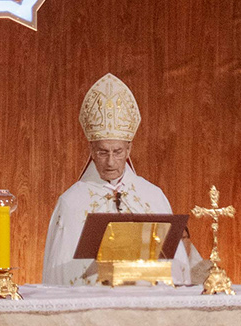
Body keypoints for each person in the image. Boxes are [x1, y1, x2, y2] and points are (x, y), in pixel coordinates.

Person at [42, 74, 199, 285]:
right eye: (102, 152)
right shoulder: (72, 201)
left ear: (129, 149)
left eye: (117, 151)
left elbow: (177, 264)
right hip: (93, 306)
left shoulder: (152, 196)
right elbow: (58, 273)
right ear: (91, 150)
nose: (110, 161)